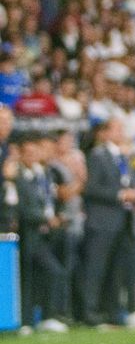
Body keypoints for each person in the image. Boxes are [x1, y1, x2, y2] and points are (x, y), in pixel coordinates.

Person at [80, 117, 135, 328]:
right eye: (117, 128)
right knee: (96, 269)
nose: (121, 133)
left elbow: (129, 182)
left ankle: (111, 312)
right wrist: (120, 195)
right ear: (106, 132)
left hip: (124, 220)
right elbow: (91, 189)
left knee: (116, 269)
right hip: (102, 221)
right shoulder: (98, 155)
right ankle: (89, 313)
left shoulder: (123, 157)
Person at [14, 132, 70, 332]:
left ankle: (40, 317)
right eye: (27, 152)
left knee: (41, 275)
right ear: (21, 155)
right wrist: (46, 218)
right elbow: (22, 208)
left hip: (46, 234)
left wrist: (58, 215)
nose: (31, 156)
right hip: (29, 233)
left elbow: (50, 199)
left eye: (34, 152)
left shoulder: (43, 174)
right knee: (34, 275)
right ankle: (32, 319)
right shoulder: (18, 177)